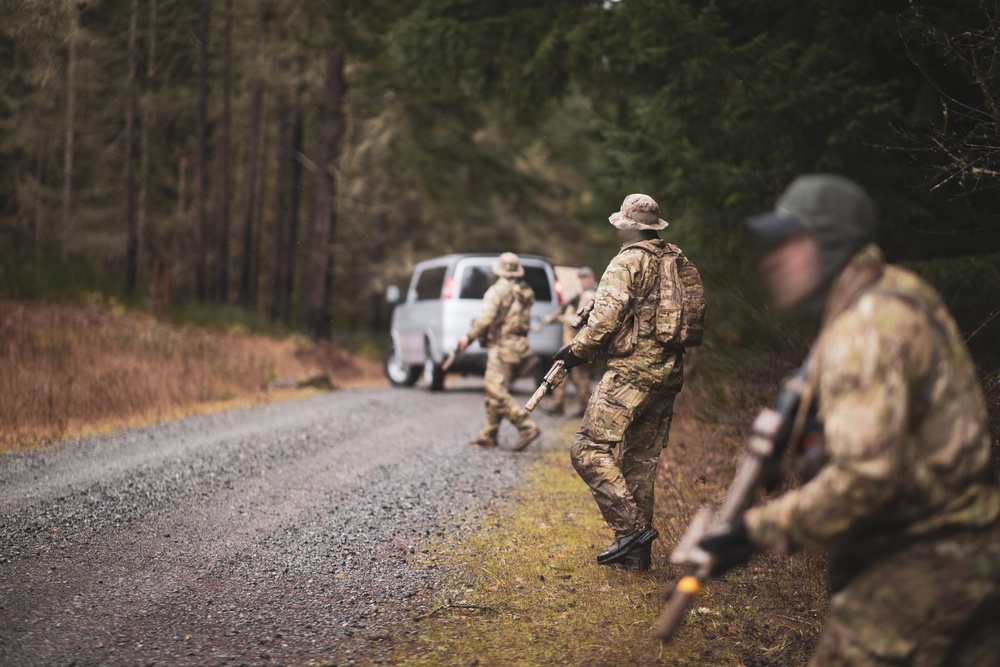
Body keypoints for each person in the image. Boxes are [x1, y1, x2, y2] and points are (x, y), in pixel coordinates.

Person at [699, 174, 1000, 666]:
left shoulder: (865, 328)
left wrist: (755, 533)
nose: (773, 262)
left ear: (830, 246)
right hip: (971, 558)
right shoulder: (897, 293)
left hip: (921, 568)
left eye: (786, 246)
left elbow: (865, 478)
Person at [554, 193, 693, 572]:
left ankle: (631, 531)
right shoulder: (675, 259)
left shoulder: (627, 261)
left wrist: (574, 353)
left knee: (587, 449)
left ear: (629, 225)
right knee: (639, 465)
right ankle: (635, 559)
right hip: (667, 376)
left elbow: (603, 323)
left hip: (631, 374)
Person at [457, 252, 541, 451]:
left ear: (500, 269)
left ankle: (526, 426)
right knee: (496, 389)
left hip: (501, 347)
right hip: (519, 346)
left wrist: (468, 338)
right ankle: (489, 434)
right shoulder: (524, 290)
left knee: (495, 389)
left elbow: (486, 319)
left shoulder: (496, 291)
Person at [538, 267, 598, 417]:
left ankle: (584, 407)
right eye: (581, 278)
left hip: (577, 343)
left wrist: (562, 318)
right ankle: (564, 404)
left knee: (578, 377)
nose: (582, 281)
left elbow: (581, 320)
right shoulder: (583, 294)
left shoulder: (590, 295)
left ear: (591, 278)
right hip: (573, 343)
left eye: (585, 278)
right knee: (569, 374)